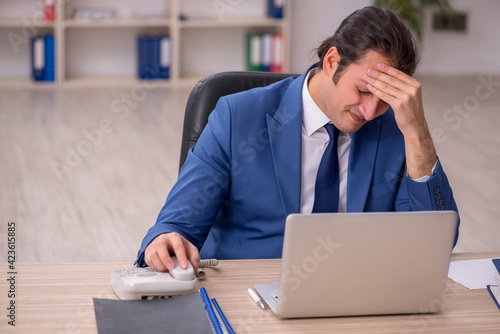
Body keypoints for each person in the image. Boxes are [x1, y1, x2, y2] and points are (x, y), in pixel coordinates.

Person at [135, 6, 459, 272]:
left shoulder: (395, 130)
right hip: (250, 295)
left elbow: (433, 245)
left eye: (386, 98)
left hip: (354, 297)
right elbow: (178, 224)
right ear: (332, 61)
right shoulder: (238, 117)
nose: (371, 110)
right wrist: (166, 240)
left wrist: (418, 135)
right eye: (363, 90)